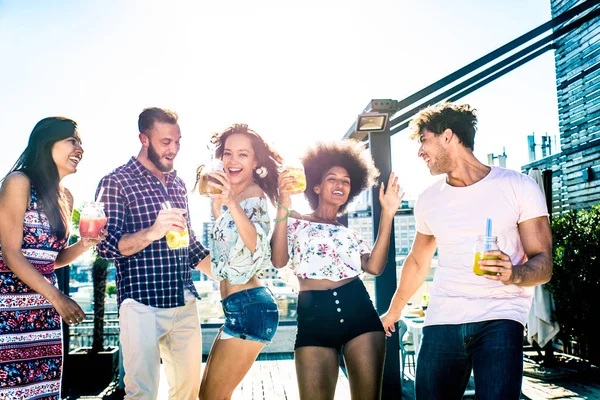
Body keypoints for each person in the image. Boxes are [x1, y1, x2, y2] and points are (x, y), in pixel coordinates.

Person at [380, 102, 553, 399]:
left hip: (501, 315)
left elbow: (544, 264)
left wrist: (514, 273)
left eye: (424, 140)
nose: (420, 151)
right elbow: (419, 261)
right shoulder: (429, 199)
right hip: (443, 318)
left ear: (447, 136)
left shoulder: (518, 186)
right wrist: (393, 312)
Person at [271, 139, 403, 400]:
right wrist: (283, 203)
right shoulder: (294, 219)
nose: (340, 184)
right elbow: (278, 260)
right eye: (332, 179)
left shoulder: (350, 234)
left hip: (360, 314)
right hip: (314, 318)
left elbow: (375, 267)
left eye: (346, 181)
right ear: (317, 186)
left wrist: (388, 214)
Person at [95, 107, 210, 399]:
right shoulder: (116, 182)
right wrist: (152, 233)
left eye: (178, 141)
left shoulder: (178, 183)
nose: (174, 149)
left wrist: (233, 278)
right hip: (141, 304)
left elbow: (192, 246)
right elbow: (106, 247)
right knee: (142, 393)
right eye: (166, 142)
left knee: (188, 392)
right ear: (143, 139)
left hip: (184, 301)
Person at [0, 117, 106, 399]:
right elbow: (11, 254)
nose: (80, 148)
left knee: (43, 392)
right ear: (46, 144)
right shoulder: (17, 182)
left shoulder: (66, 197)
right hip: (9, 316)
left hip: (44, 316)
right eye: (72, 140)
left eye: (80, 142)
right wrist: (58, 298)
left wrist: (84, 244)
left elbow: (51, 260)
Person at [198, 123, 283, 400]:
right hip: (239, 307)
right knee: (210, 396)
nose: (233, 161)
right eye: (228, 153)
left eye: (243, 155)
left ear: (256, 161)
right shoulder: (234, 197)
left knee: (212, 397)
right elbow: (227, 264)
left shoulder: (254, 195)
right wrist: (216, 208)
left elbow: (257, 246)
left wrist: (230, 204)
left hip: (250, 307)